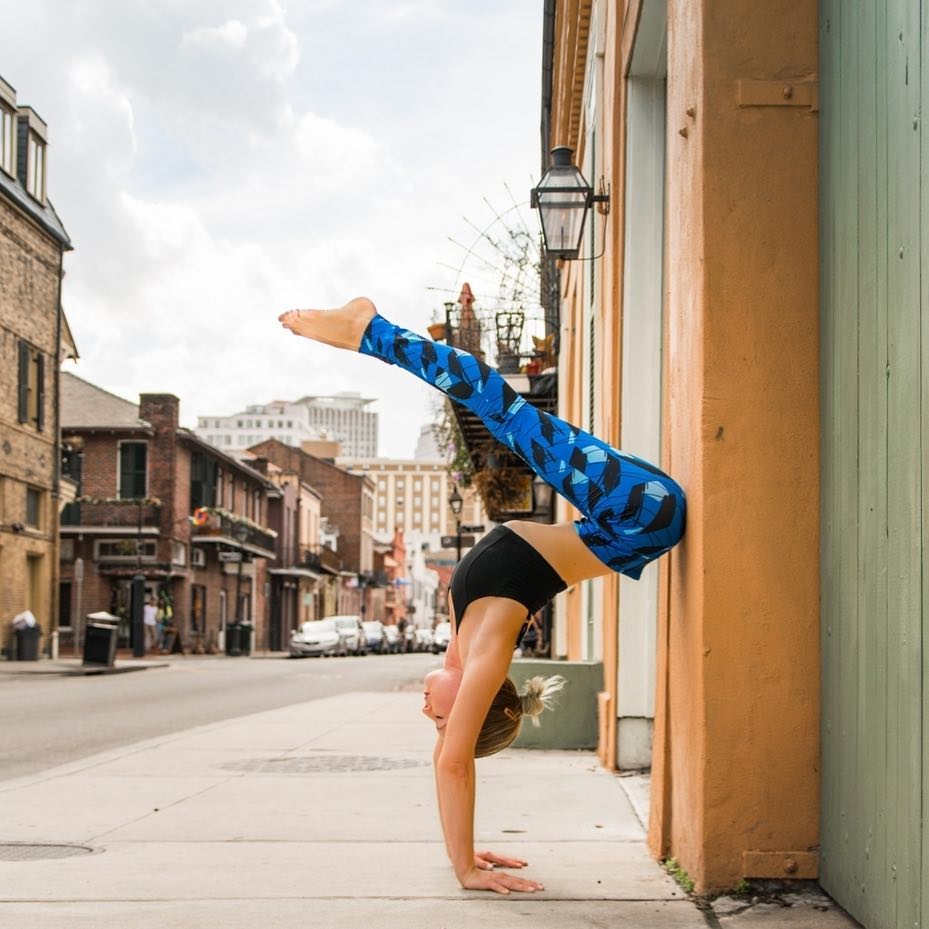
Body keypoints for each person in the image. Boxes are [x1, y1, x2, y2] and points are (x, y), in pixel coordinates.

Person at [279, 298, 685, 895]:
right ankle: (370, 330)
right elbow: (455, 761)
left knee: (507, 417)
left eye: (436, 722)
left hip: (615, 518)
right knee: (504, 412)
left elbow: (444, 758)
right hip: (641, 515)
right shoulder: (489, 651)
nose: (429, 714)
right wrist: (467, 872)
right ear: (480, 696)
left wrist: (462, 847)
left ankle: (371, 332)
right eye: (443, 717)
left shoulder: (460, 644)